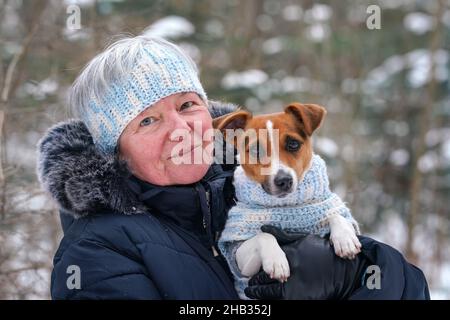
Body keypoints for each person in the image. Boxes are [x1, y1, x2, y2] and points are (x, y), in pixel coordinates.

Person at [37, 35, 429, 300]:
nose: (182, 129)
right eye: (147, 121)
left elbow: (409, 287)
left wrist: (352, 275)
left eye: (188, 105)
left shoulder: (256, 188)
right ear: (115, 153)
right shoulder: (95, 253)